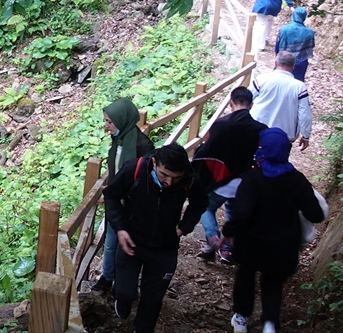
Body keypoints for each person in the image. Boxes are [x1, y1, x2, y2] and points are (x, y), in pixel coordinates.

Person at [222, 128, 325, 333]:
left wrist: (228, 232)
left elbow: (242, 212)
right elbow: (315, 214)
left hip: (251, 243)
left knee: (245, 277)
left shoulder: (252, 179)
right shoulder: (297, 180)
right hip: (283, 246)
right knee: (273, 283)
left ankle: (241, 318)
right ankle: (269, 323)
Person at [104, 144, 208, 333]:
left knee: (153, 299)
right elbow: (111, 196)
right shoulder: (134, 169)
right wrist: (120, 229)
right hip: (131, 241)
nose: (169, 182)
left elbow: (200, 203)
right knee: (125, 292)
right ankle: (123, 299)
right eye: (164, 175)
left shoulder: (191, 179)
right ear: (154, 163)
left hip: (164, 246)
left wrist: (183, 228)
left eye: (176, 177)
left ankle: (142, 329)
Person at [191, 86, 267, 264]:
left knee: (206, 207)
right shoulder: (260, 129)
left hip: (221, 177)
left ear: (230, 103)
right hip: (246, 180)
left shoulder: (220, 125)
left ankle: (213, 239)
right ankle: (227, 250)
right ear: (251, 105)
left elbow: (206, 151)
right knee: (234, 211)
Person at [91, 98, 155, 293]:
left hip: (134, 207)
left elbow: (145, 181)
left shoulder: (143, 146)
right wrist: (112, 192)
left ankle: (124, 283)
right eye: (105, 121)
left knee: (127, 246)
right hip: (117, 203)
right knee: (110, 243)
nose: (106, 126)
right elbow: (118, 170)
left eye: (109, 121)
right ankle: (107, 277)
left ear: (122, 120)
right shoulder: (118, 140)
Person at [250, 51, 312, 150]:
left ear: (275, 63)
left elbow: (246, 99)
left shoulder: (261, 79)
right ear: (293, 66)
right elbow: (304, 113)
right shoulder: (299, 87)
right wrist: (306, 135)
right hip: (283, 136)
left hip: (257, 131)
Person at [274, 7, 315, 81]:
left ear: (294, 15)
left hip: (284, 62)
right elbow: (310, 47)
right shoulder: (310, 32)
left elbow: (278, 47)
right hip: (301, 63)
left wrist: (277, 60)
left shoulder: (285, 29)